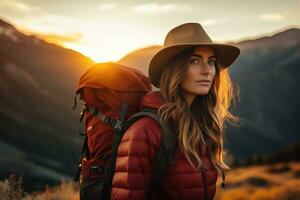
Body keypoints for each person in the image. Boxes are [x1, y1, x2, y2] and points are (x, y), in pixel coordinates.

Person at [110, 22, 240, 200]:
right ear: (175, 69)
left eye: (211, 62)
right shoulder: (145, 131)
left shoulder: (202, 126)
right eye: (194, 60)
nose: (207, 71)